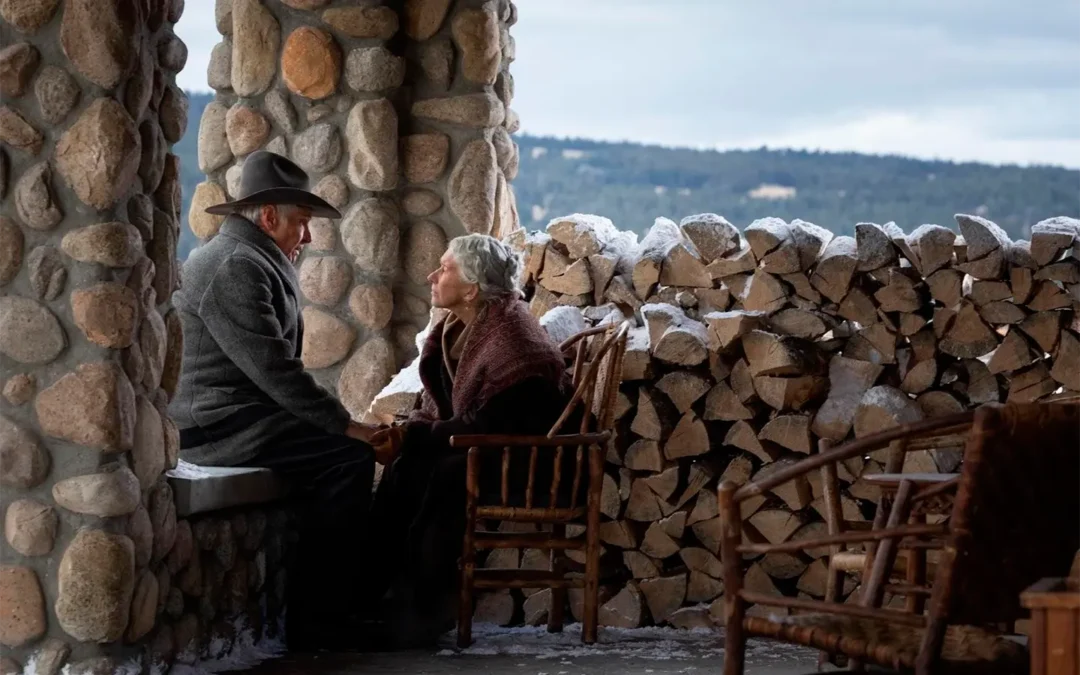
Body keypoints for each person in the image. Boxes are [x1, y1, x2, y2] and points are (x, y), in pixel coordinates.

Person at [168, 151, 390, 651]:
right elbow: (275, 371)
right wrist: (346, 426)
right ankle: (319, 624)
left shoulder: (252, 258)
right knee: (347, 460)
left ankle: (338, 607)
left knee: (339, 457)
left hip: (243, 418)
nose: (307, 237)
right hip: (217, 426)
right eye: (301, 223)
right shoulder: (234, 265)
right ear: (269, 217)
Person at [364, 233, 579, 647]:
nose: (431, 275)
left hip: (525, 463)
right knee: (407, 466)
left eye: (444, 269)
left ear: (472, 288)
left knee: (444, 474)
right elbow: (449, 410)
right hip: (482, 447)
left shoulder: (514, 337)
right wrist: (412, 434)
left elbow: (499, 420)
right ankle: (371, 599)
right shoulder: (461, 327)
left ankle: (422, 613)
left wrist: (418, 434)